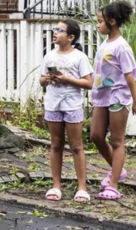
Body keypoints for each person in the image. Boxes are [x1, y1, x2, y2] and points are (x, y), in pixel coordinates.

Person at [90, 0, 136, 201]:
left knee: (117, 140)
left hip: (118, 96)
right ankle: (117, 170)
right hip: (102, 96)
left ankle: (113, 185)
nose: (98, 25)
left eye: (101, 21)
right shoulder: (106, 43)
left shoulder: (122, 47)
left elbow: (129, 76)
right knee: (96, 135)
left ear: (112, 22)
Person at [40, 20, 94, 203]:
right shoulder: (49, 56)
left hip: (72, 105)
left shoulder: (80, 57)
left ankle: (82, 188)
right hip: (53, 104)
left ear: (71, 37)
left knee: (76, 146)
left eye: (59, 30)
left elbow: (89, 83)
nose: (54, 32)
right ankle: (56, 186)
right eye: (54, 29)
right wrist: (47, 78)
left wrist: (67, 79)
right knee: (55, 144)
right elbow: (41, 80)